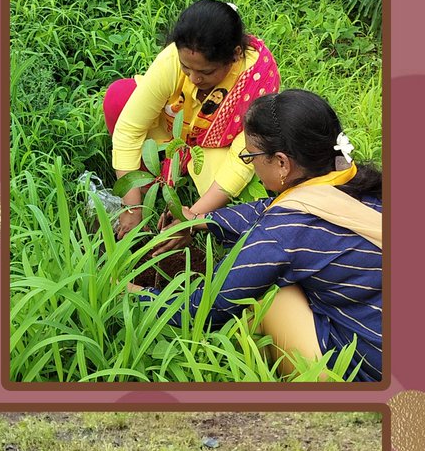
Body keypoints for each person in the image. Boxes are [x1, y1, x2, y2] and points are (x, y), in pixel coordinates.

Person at [137, 89, 383, 381]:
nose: (249, 162)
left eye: (250, 155)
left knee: (272, 296)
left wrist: (131, 296)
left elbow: (204, 309)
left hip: (368, 371)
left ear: (281, 162)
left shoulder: (283, 233)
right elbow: (267, 208)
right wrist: (200, 221)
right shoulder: (355, 181)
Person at [105, 0, 280, 240]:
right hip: (170, 128)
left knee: (244, 187)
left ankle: (199, 202)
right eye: (187, 69)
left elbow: (242, 160)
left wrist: (192, 219)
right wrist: (132, 209)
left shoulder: (256, 81)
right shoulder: (173, 60)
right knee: (119, 97)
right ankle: (145, 183)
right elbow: (129, 130)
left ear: (235, 55)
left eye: (206, 72)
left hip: (216, 149)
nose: (194, 79)